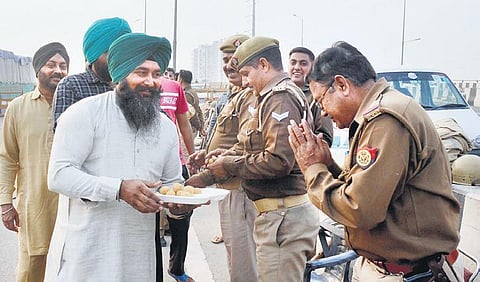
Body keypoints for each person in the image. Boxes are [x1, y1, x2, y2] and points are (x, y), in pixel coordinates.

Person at [288, 41, 461, 281]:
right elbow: (366, 189)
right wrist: (327, 164)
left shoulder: (385, 119)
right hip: (386, 265)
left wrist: (313, 168)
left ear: (341, 85)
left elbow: (359, 210)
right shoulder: (380, 112)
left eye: (321, 101)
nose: (324, 112)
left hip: (405, 272)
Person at [44, 33, 200, 281]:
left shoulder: (166, 128)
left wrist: (180, 208)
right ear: (120, 75)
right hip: (87, 253)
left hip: (139, 256)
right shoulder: (84, 114)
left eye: (156, 74)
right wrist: (119, 189)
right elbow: (58, 175)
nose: (151, 81)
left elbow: (172, 184)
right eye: (140, 72)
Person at [203, 36, 320, 281]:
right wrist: (228, 154)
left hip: (283, 217)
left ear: (264, 65)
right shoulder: (272, 96)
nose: (245, 82)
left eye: (247, 74)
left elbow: (278, 161)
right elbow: (257, 146)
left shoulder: (279, 97)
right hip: (278, 216)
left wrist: (229, 164)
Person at [186, 34, 258, 282]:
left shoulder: (251, 96)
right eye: (226, 60)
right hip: (228, 189)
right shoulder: (236, 94)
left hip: (240, 190)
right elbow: (230, 139)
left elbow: (246, 148)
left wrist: (203, 178)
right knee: (236, 259)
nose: (229, 66)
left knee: (243, 265)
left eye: (235, 60)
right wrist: (206, 153)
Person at [0, 42, 69, 282]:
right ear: (38, 69)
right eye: (51, 65)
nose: (58, 70)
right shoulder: (18, 108)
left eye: (62, 65)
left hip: (72, 206)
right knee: (32, 268)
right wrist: (5, 203)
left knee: (69, 266)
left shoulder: (76, 107)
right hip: (35, 205)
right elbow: (7, 158)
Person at [52, 17, 131, 129]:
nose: (119, 59)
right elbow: (65, 137)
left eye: (123, 52)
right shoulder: (72, 86)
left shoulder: (133, 85)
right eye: (111, 53)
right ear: (94, 55)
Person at [157, 75, 196, 282]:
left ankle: (177, 267)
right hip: (147, 166)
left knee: (182, 216)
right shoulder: (129, 82)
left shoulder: (174, 87)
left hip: (175, 162)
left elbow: (184, 124)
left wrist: (192, 158)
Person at [288, 47, 333, 144]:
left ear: (312, 66)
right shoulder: (280, 94)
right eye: (293, 62)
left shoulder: (318, 96)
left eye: (303, 63)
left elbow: (325, 137)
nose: (297, 67)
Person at [177, 69, 205, 138]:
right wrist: (201, 127)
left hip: (190, 128)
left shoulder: (186, 95)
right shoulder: (192, 92)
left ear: (181, 79)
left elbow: (192, 114)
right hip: (192, 128)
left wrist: (199, 126)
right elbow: (199, 110)